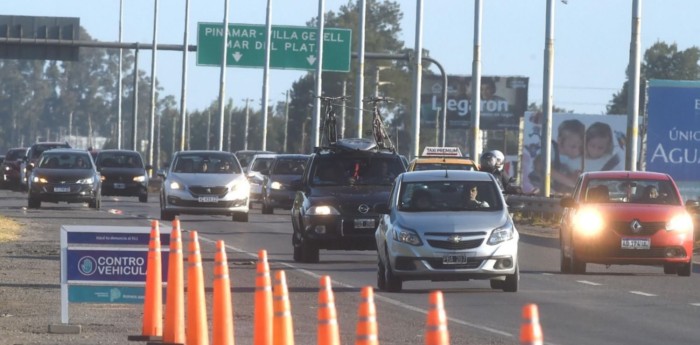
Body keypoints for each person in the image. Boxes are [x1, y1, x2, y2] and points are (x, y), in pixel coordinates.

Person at [551, 119, 585, 193]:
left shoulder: (580, 159)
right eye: (573, 146)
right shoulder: (551, 149)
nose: (577, 151)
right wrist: (571, 182)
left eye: (580, 147)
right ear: (560, 141)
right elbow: (542, 167)